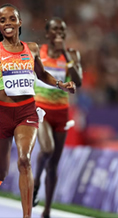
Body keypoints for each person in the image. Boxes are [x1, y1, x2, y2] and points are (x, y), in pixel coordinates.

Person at [0, 4, 76, 218]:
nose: (8, 23)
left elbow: (42, 75)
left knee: (24, 160)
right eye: (3, 20)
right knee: (1, 173)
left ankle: (27, 215)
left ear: (20, 22)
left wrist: (61, 84)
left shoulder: (32, 48)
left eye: (12, 19)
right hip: (1, 113)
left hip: (26, 112)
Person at [32, 17, 82, 218]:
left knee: (53, 165)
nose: (59, 32)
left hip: (62, 112)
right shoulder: (39, 52)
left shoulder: (71, 54)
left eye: (62, 29)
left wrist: (65, 56)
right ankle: (35, 182)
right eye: (54, 29)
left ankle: (47, 210)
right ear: (47, 34)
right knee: (47, 148)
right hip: (40, 109)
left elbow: (78, 82)